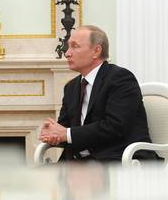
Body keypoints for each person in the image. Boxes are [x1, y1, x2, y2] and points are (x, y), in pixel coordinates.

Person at [40, 25, 160, 162]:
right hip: (78, 164)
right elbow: (66, 131)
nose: (67, 53)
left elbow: (115, 127)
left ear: (96, 51)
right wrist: (52, 134)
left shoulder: (120, 79)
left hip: (117, 160)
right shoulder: (71, 87)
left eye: (75, 46)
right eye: (68, 47)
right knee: (32, 179)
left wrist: (65, 133)